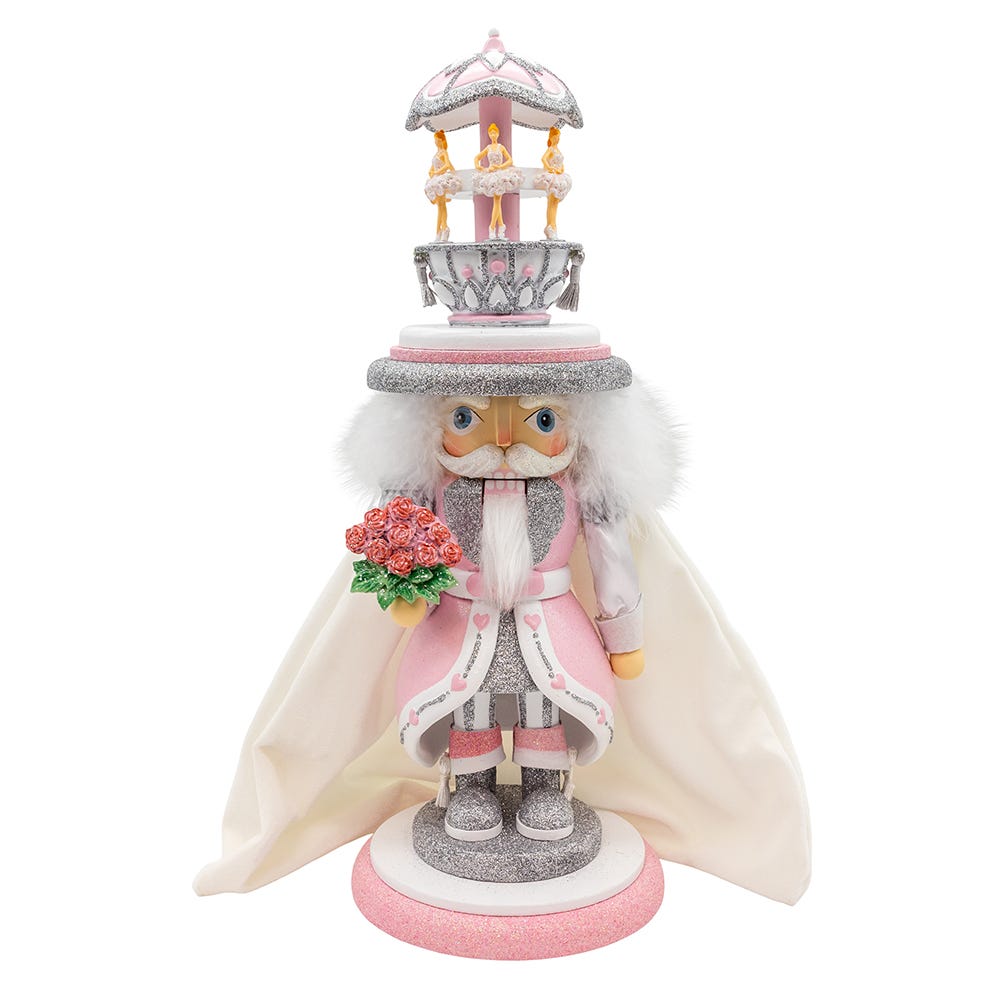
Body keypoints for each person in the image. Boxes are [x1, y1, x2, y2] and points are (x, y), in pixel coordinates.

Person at [472, 122, 523, 239]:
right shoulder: (488, 148)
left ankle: (492, 227)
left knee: (497, 200)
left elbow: (510, 160)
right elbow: (477, 157)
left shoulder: (501, 147)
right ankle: (501, 226)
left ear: (498, 134)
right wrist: (479, 167)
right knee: (497, 201)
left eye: (494, 133)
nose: (493, 135)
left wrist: (500, 166)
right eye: (491, 133)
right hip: (491, 175)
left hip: (500, 174)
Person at [534, 127, 572, 239]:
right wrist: (549, 168)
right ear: (551, 138)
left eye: (558, 137)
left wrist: (561, 168)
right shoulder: (551, 149)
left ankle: (552, 226)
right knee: (552, 202)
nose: (557, 139)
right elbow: (543, 159)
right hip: (553, 177)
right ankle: (550, 226)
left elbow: (561, 163)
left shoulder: (557, 150)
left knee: (555, 203)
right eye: (555, 137)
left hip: (559, 176)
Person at [423, 129, 462, 242]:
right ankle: (441, 230)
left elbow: (447, 165)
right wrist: (431, 171)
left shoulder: (444, 152)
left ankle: (443, 229)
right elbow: (432, 167)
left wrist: (438, 171)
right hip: (436, 179)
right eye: (435, 140)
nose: (436, 142)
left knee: (441, 206)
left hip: (440, 180)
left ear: (441, 140)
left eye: (437, 140)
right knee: (440, 206)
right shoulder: (437, 154)